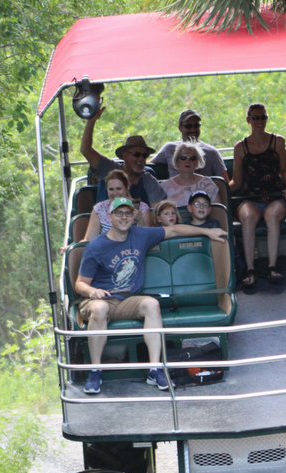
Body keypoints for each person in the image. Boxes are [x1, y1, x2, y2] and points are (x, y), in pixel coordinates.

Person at [75, 197, 227, 394]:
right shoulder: (96, 246)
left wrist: (207, 231)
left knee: (151, 304)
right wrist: (91, 292)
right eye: (119, 213)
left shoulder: (140, 235)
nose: (123, 217)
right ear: (110, 216)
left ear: (134, 216)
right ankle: (95, 370)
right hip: (99, 300)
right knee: (101, 307)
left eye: (128, 213)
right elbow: (79, 284)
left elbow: (173, 230)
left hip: (127, 299)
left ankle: (155, 369)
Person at [229, 102, 286, 287]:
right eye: (256, 118)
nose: (260, 121)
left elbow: (283, 171)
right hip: (251, 197)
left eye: (263, 117)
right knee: (248, 217)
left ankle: (272, 267)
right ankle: (250, 269)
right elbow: (237, 181)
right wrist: (217, 190)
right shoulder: (240, 147)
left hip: (274, 195)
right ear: (248, 120)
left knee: (272, 215)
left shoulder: (278, 141)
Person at [80, 107, 165, 206]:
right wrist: (92, 120)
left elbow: (157, 209)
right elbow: (85, 150)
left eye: (145, 155)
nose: (141, 159)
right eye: (136, 154)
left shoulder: (148, 180)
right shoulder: (108, 168)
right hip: (103, 221)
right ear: (125, 155)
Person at [151, 109, 228, 178]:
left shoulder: (211, 152)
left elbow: (225, 184)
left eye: (196, 125)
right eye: (188, 126)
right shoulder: (169, 148)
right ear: (180, 128)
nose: (193, 129)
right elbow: (149, 164)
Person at [83, 169, 151, 240]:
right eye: (111, 189)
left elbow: (146, 238)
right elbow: (89, 239)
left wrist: (140, 220)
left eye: (118, 189)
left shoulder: (142, 208)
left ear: (127, 187)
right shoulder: (99, 208)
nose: (115, 193)